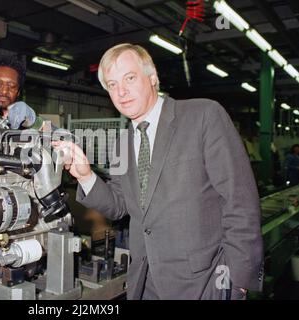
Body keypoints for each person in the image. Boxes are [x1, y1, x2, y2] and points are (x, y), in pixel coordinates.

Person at [53, 43, 264, 300]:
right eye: (112, 84)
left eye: (130, 78)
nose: (121, 91)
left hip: (205, 281)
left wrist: (238, 282)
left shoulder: (203, 115)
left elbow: (240, 201)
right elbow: (119, 205)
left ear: (152, 77)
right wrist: (85, 176)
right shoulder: (121, 142)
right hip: (146, 281)